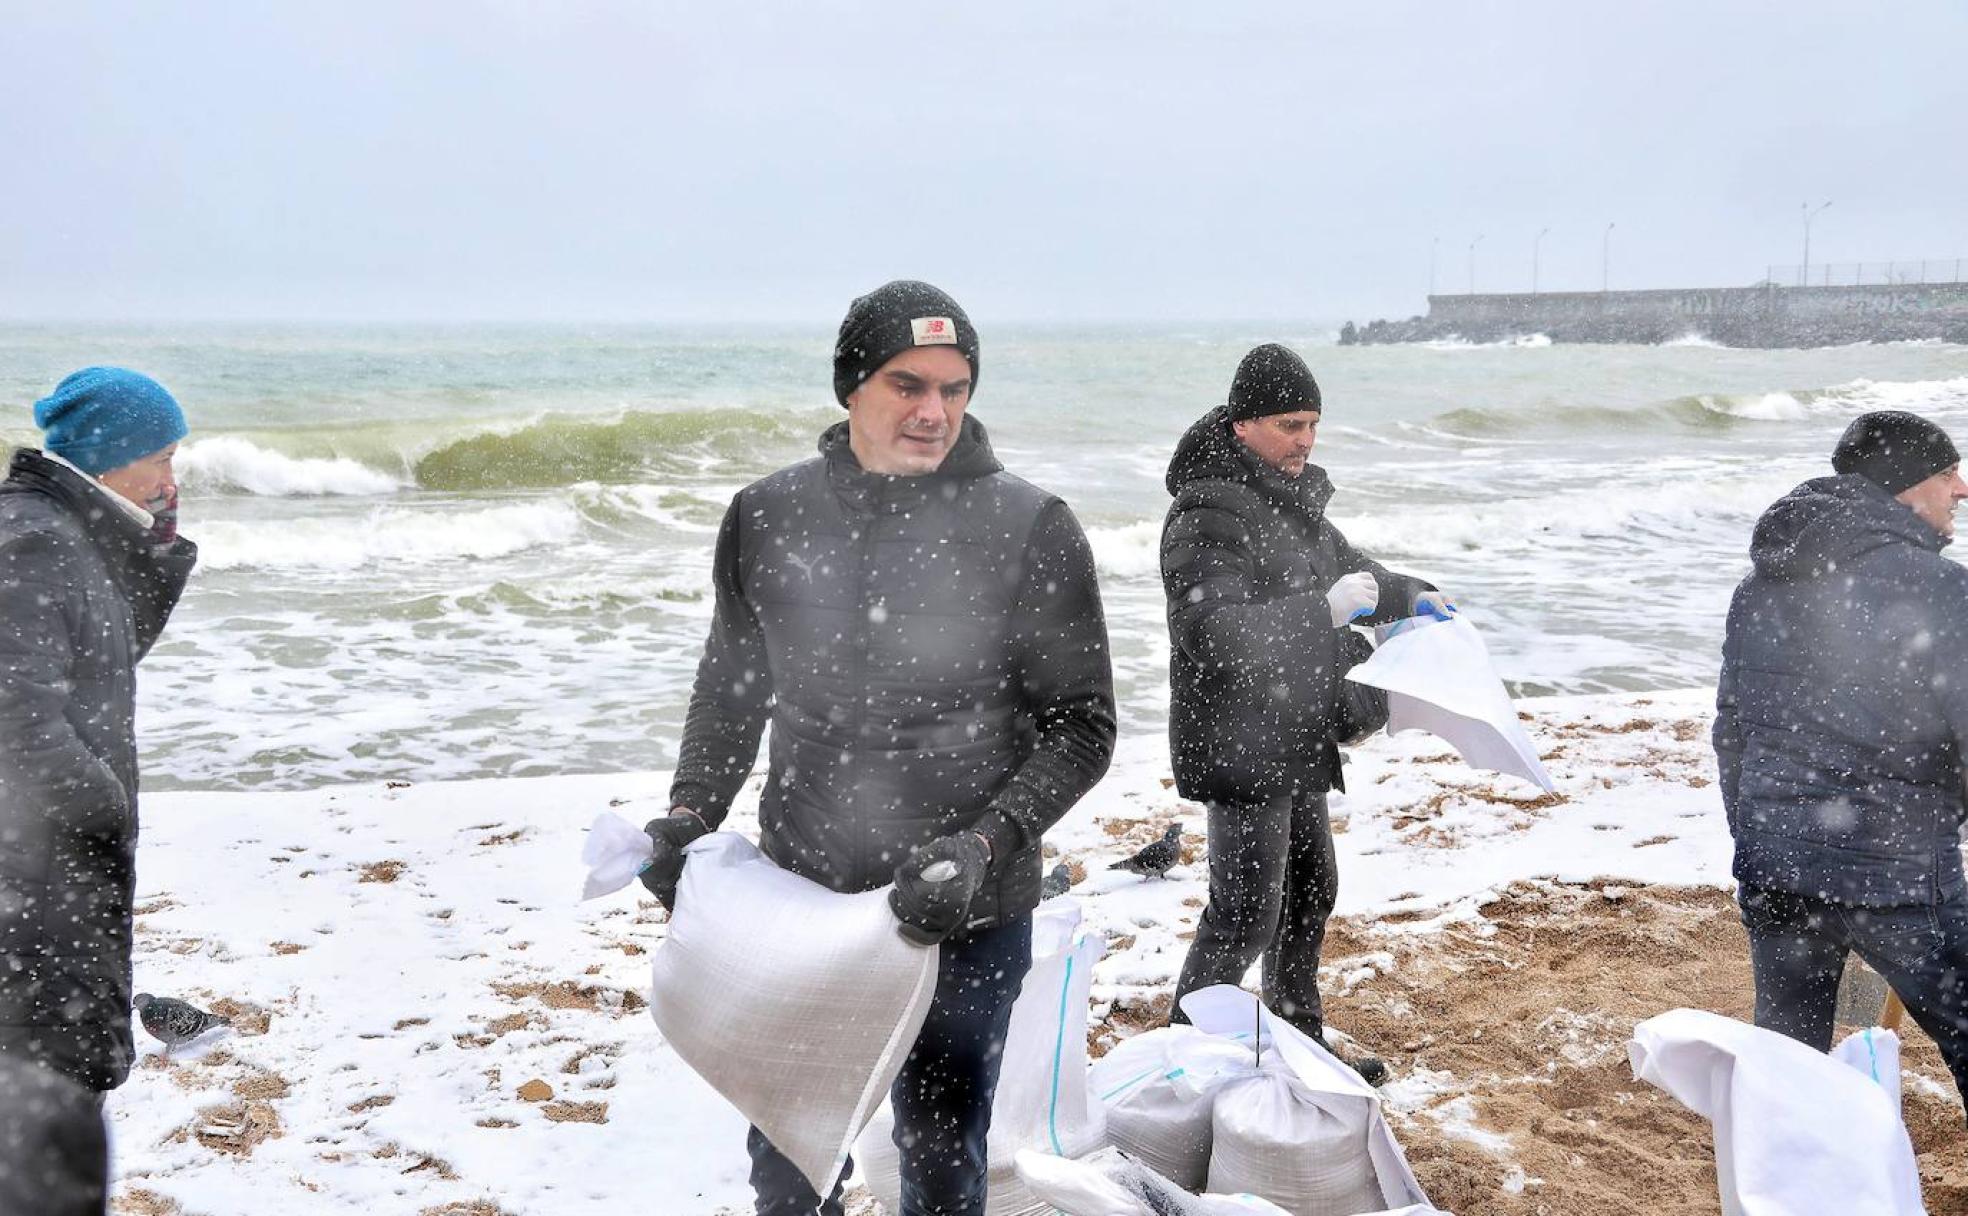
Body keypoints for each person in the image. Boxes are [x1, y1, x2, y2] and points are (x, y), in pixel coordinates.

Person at [641, 281, 1115, 1216]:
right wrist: (691, 812)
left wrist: (980, 847)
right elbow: (733, 692)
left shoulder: (1029, 526)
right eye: (908, 385)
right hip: (804, 900)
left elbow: (1083, 726)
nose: (934, 411)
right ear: (850, 386)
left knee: (941, 1159)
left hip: (966, 914)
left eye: (954, 388)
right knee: (788, 1165)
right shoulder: (768, 515)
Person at [1160, 343, 1448, 1077]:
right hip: (1236, 740)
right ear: (1242, 425)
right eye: (1290, 425)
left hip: (1293, 730)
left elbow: (1357, 574)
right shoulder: (1205, 512)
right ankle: (1183, 1066)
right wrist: (1320, 613)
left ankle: (1297, 1043)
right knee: (1243, 917)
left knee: (1312, 892)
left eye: (1313, 423)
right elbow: (1209, 632)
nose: (1306, 440)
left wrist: (1413, 596)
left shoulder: (1290, 501)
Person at [1715, 409, 1968, 1112]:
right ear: (1907, 485)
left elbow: (1733, 733)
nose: (1962, 489)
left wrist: (1758, 838)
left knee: (1788, 1066)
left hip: (1777, 870)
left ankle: (1785, 1169)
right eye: (1949, 472)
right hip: (1897, 874)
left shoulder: (1761, 585)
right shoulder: (1941, 589)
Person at [0, 367, 197, 1099]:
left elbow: (108, 649)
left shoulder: (66, 529)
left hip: (53, 855)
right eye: (162, 458)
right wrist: (100, 805)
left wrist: (159, 538)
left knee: (64, 1062)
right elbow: (11, 716)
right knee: (46, 1074)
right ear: (111, 454)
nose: (171, 476)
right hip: (36, 862)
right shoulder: (32, 539)